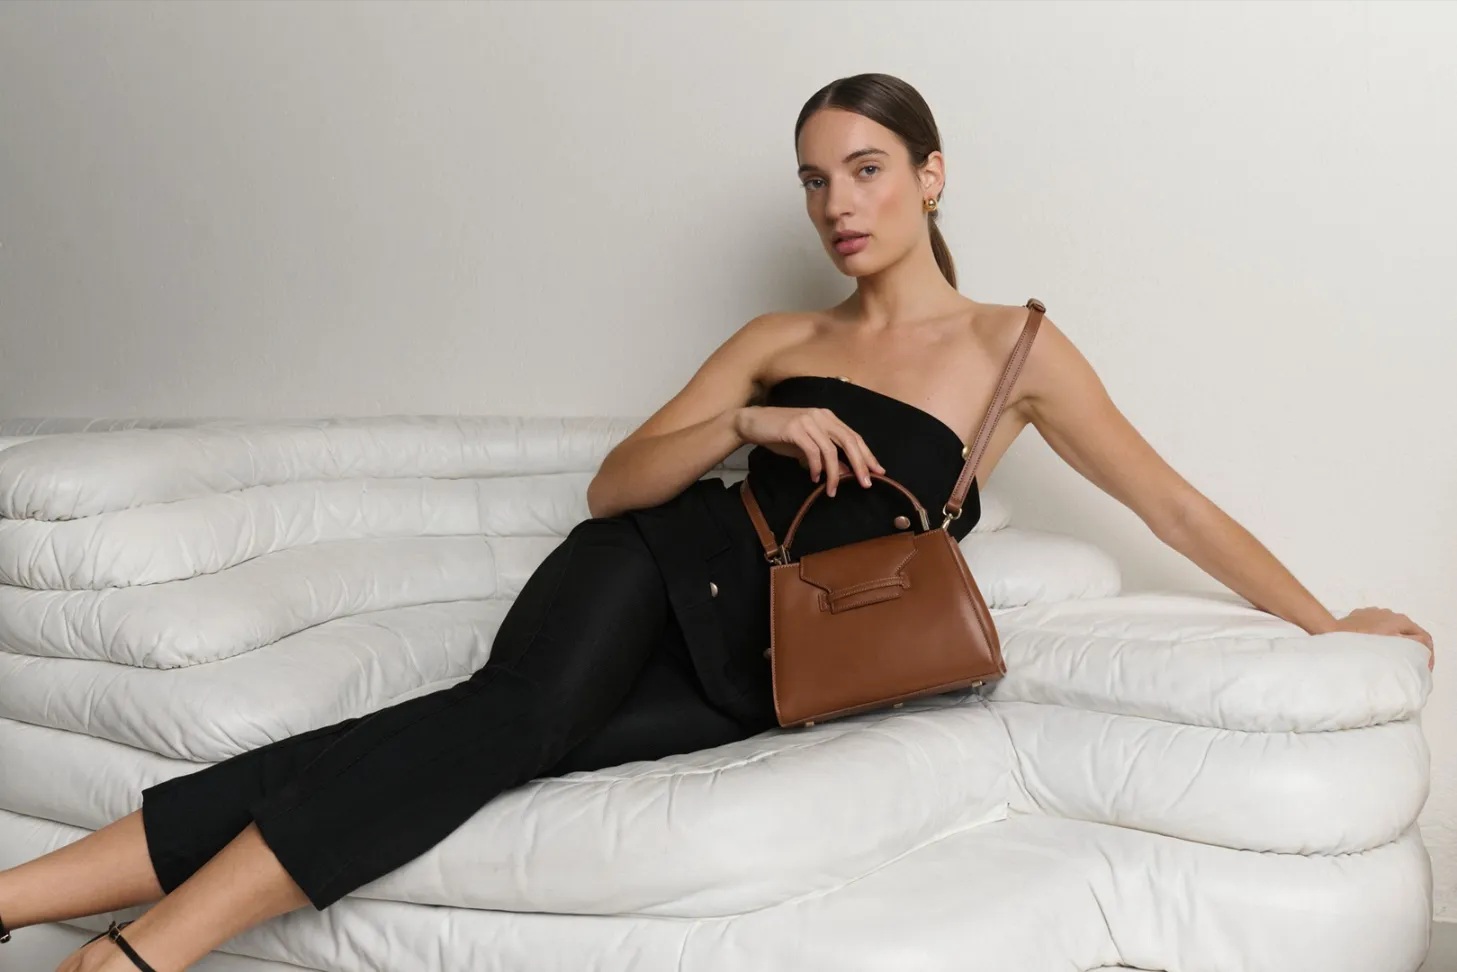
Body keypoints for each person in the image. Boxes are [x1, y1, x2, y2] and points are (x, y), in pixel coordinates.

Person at [0, 72, 1434, 972]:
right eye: (814, 179)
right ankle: (142, 954)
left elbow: (1167, 499)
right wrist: (749, 425)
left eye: (865, 168)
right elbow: (616, 486)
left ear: (931, 176)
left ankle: (20, 900)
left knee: (435, 742)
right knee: (506, 721)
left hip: (764, 669)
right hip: (654, 566)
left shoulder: (1016, 350)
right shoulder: (778, 338)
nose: (837, 203)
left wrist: (1325, 621)